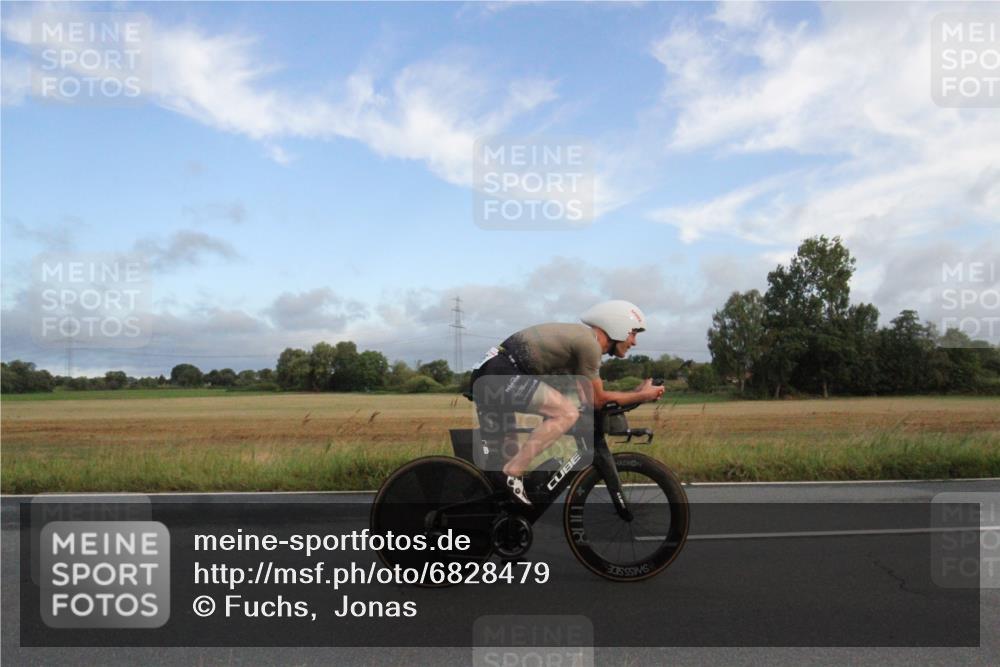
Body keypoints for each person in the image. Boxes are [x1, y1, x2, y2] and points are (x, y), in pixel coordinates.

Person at [470, 300, 665, 504]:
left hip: (496, 372)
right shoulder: (589, 345)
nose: (634, 342)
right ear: (617, 326)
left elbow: (587, 399)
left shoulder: (581, 341)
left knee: (501, 470)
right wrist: (643, 395)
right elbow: (598, 400)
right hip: (501, 373)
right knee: (566, 414)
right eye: (633, 333)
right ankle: (513, 474)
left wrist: (635, 393)